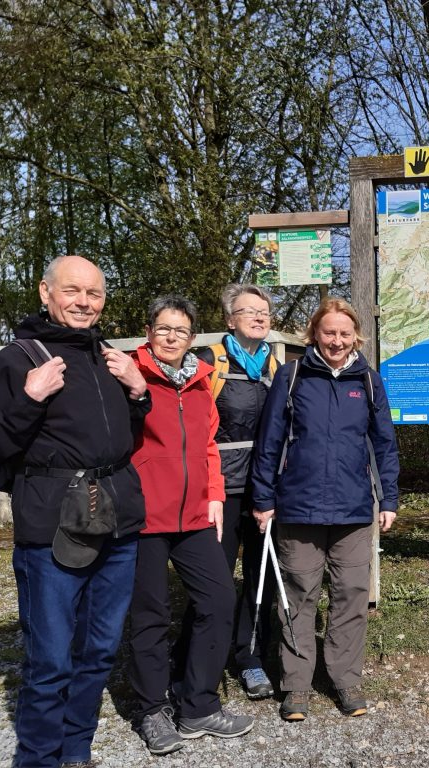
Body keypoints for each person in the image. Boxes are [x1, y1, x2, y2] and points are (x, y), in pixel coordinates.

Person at [0, 255, 150, 768]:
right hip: (51, 529)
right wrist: (29, 399)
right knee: (50, 660)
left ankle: (77, 751)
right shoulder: (17, 359)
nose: (84, 302)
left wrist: (138, 393)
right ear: (45, 292)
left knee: (97, 651)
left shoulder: (108, 356)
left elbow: (119, 437)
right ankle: (39, 758)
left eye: (94, 294)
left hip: (115, 519)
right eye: (72, 291)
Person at [251, 298, 400, 721]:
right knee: (298, 598)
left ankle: (345, 680)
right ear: (314, 334)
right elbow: (270, 442)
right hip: (298, 509)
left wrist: (388, 498)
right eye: (328, 332)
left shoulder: (368, 381)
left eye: (344, 333)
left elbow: (385, 444)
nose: (336, 341)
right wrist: (263, 500)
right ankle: (296, 686)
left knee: (351, 597)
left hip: (354, 511)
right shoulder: (293, 376)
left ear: (356, 337)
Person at [129, 295, 254, 755]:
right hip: (144, 517)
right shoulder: (130, 375)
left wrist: (216, 494)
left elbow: (207, 447)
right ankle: (151, 709)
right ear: (148, 331)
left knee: (220, 600)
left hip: (195, 515)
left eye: (180, 331)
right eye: (163, 328)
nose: (171, 338)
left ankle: (197, 703)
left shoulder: (202, 383)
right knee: (151, 614)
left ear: (192, 338)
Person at [178, 284, 279, 701]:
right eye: (248, 311)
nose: (258, 317)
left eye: (264, 311)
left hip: (265, 491)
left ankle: (250, 658)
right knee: (213, 580)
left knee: (262, 579)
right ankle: (192, 660)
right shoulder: (207, 364)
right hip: (219, 491)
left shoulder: (275, 366)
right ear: (229, 320)